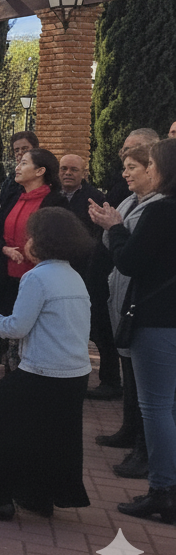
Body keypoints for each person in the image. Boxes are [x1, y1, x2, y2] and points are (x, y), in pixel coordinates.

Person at [0, 207, 97, 520]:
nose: (25, 242)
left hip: (42, 372)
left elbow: (17, 327)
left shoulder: (37, 278)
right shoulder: (74, 277)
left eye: (29, 236)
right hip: (75, 374)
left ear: (41, 242)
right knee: (50, 438)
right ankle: (39, 497)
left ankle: (1, 498)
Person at [93, 139, 176, 524]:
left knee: (156, 407)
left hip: (157, 319)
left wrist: (114, 228)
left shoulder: (160, 212)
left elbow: (129, 262)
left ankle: (162, 490)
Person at [0, 148, 68, 366]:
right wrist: (5, 249)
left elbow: (58, 243)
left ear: (40, 170)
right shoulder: (13, 197)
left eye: (23, 163)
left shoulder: (56, 202)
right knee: (8, 327)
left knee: (31, 332)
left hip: (36, 279)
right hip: (5, 276)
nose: (17, 167)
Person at [58, 153, 120, 400]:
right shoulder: (54, 196)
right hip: (58, 268)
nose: (68, 173)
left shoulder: (95, 198)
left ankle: (110, 381)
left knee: (97, 329)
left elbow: (98, 238)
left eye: (74, 169)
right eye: (63, 168)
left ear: (84, 172)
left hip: (87, 272)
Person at [105, 128, 162, 208]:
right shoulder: (122, 191)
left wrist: (116, 221)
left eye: (130, 149)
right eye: (124, 149)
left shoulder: (165, 203)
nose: (125, 153)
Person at [0, 131, 39, 197]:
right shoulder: (11, 179)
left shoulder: (42, 176)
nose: (20, 153)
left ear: (35, 150)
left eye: (24, 149)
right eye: (16, 150)